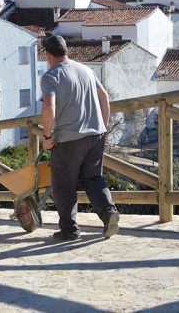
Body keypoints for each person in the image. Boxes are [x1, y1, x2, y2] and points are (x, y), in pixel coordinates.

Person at [40, 35, 120, 241]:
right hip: (96, 134)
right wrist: (103, 126)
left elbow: (49, 107)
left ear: (48, 55)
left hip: (68, 139)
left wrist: (47, 136)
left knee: (64, 184)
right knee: (93, 179)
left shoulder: (51, 76)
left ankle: (70, 229)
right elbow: (105, 97)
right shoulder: (86, 70)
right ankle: (109, 213)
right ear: (66, 50)